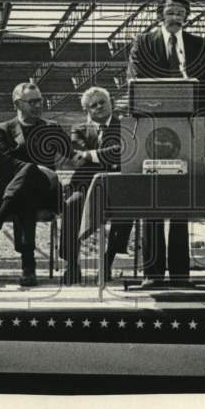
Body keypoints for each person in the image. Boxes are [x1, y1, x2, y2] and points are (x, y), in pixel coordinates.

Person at [127, 0, 205, 287]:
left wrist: (202, 127)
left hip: (187, 132)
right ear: (159, 15)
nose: (176, 17)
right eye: (171, 12)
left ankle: (180, 274)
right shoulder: (143, 43)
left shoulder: (199, 45)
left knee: (180, 202)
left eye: (181, 12)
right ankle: (153, 274)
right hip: (152, 131)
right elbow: (137, 81)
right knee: (151, 202)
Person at [0, 82, 70, 287]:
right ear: (17, 103)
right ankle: (28, 266)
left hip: (46, 189)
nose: (38, 105)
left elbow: (71, 153)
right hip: (19, 194)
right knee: (26, 192)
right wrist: (33, 169)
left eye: (40, 101)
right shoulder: (2, 129)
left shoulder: (51, 128)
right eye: (33, 102)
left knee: (28, 183)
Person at [61, 87, 133, 285]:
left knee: (129, 207)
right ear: (87, 109)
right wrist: (111, 154)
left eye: (103, 102)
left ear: (111, 102)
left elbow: (125, 151)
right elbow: (77, 155)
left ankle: (107, 260)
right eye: (94, 105)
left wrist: (92, 155)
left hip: (118, 187)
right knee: (70, 206)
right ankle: (72, 264)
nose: (99, 107)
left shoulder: (126, 127)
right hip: (85, 186)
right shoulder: (79, 129)